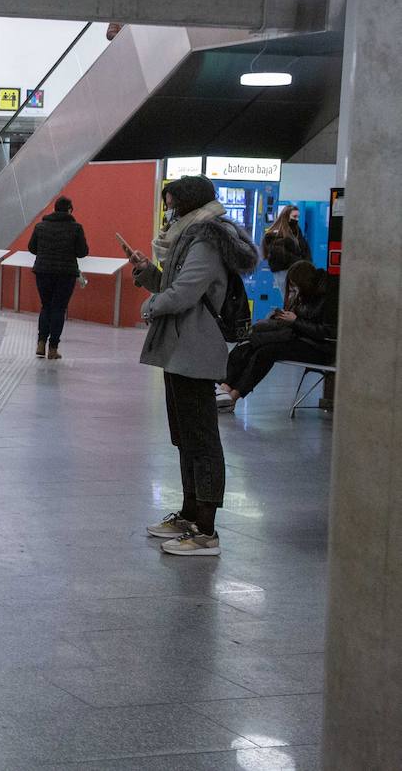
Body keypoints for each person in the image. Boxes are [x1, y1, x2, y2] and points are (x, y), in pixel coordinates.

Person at [127, 175, 258, 557]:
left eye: (171, 204)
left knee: (201, 439)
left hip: (197, 348)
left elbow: (186, 292)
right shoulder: (189, 236)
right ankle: (188, 514)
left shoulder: (206, 239)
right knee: (185, 436)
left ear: (187, 203)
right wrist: (147, 273)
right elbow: (174, 283)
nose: (168, 211)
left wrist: (151, 306)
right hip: (180, 346)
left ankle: (206, 530)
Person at [216, 260, 337, 412]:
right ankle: (224, 389)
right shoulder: (307, 295)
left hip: (317, 348)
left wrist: (295, 321)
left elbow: (325, 333)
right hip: (299, 339)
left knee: (265, 351)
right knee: (250, 343)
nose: (293, 289)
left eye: (294, 285)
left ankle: (232, 396)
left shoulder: (326, 299)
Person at [26, 195, 89, 359]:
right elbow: (83, 252)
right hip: (65, 274)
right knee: (59, 308)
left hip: (43, 271)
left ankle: (41, 343)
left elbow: (32, 248)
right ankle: (53, 348)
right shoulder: (76, 228)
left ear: (54, 209)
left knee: (46, 306)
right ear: (69, 210)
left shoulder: (41, 226)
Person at [262, 204, 311, 298]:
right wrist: (301, 262)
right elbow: (281, 256)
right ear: (286, 216)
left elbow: (305, 249)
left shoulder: (296, 231)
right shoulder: (274, 234)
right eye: (294, 216)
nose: (297, 219)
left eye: (298, 217)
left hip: (296, 270)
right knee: (289, 298)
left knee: (295, 298)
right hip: (283, 271)